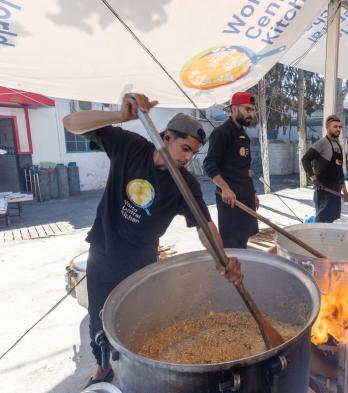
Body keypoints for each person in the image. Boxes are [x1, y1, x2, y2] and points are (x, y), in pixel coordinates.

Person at [62, 93, 242, 387]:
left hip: (141, 266)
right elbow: (71, 122)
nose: (187, 158)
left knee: (137, 327)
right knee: (98, 323)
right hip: (104, 256)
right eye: (184, 148)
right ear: (166, 136)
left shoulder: (185, 183)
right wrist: (119, 116)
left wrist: (223, 261)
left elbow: (205, 226)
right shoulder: (130, 147)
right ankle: (103, 368)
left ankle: (139, 377)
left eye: (192, 154)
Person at [204, 92, 259, 248]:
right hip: (230, 199)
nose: (251, 114)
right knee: (231, 244)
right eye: (247, 109)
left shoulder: (244, 136)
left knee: (243, 240)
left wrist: (253, 192)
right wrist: (225, 188)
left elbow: (246, 169)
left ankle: (241, 267)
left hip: (246, 197)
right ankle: (233, 270)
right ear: (234, 109)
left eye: (253, 110)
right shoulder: (221, 133)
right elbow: (209, 164)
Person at [301, 114, 348, 223]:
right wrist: (314, 179)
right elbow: (305, 159)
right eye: (335, 126)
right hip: (324, 189)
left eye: (340, 127)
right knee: (322, 220)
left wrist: (344, 189)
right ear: (327, 127)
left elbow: (339, 169)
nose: (338, 129)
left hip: (335, 189)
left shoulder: (338, 145)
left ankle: (326, 239)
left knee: (331, 219)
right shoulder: (322, 143)